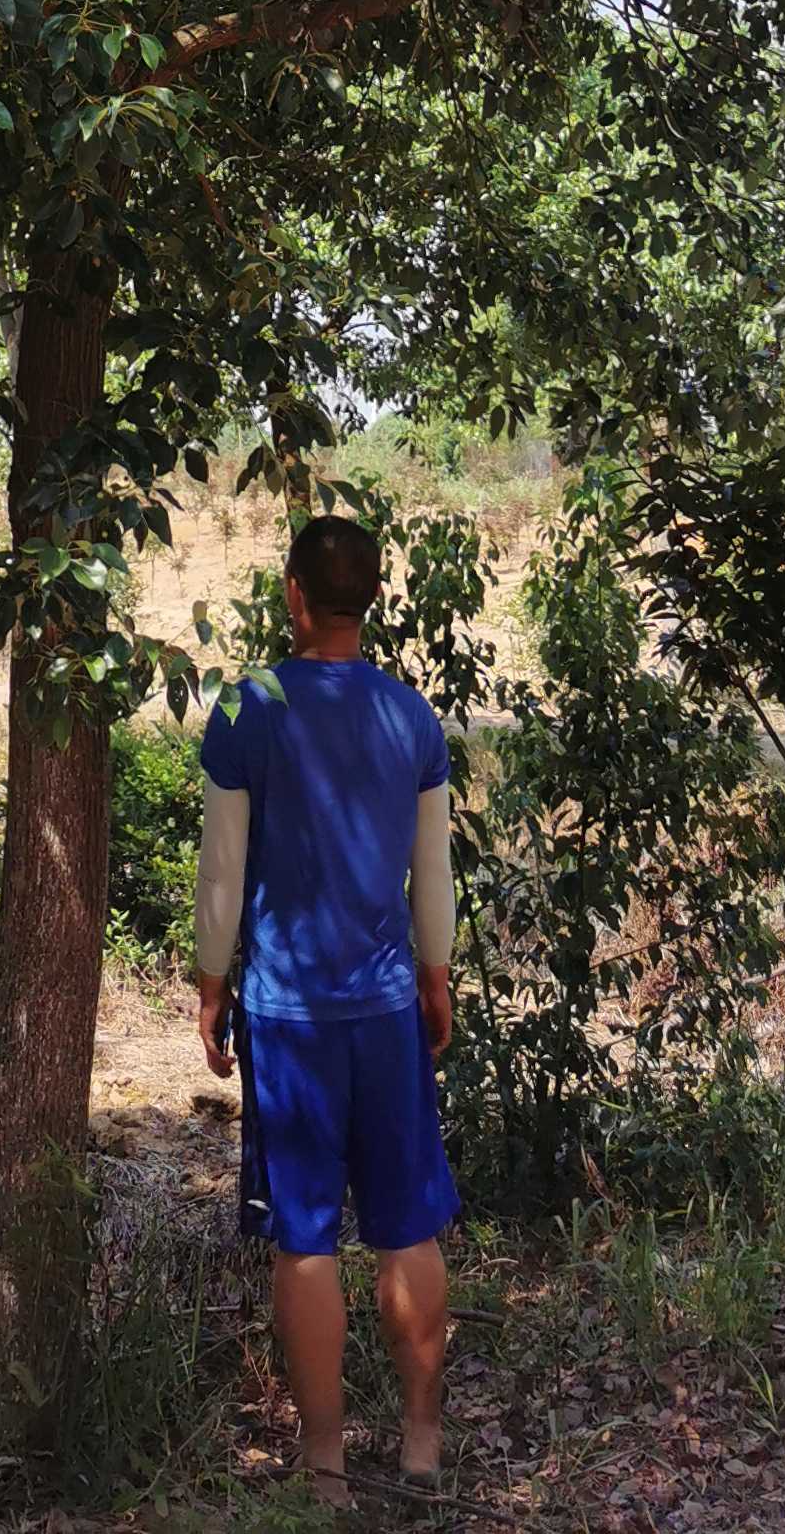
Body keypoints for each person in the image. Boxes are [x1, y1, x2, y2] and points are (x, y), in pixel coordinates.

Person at [196, 512, 457, 1507]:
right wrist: (435, 978)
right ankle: (424, 1445)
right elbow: (429, 876)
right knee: (406, 1226)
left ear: (294, 597)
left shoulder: (248, 709)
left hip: (290, 1018)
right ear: (370, 599)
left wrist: (211, 984)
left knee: (306, 1238)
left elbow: (224, 874)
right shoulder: (411, 717)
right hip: (388, 1010)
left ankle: (328, 1471)